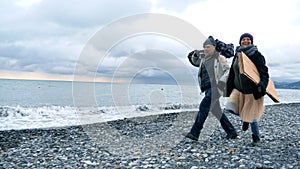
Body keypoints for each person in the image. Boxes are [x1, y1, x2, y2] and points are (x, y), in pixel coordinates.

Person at [185, 36, 238, 141]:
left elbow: (228, 71)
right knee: (216, 111)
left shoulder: (219, 58)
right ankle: (231, 132)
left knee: (203, 107)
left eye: (208, 47)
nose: (206, 49)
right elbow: (196, 62)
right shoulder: (204, 58)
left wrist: (221, 83)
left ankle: (195, 132)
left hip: (215, 88)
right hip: (208, 88)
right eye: (204, 47)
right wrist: (195, 56)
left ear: (214, 47)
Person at [225, 33, 269, 146]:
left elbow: (264, 72)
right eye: (243, 39)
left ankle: (256, 137)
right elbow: (233, 72)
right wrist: (227, 86)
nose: (246, 41)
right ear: (240, 42)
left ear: (251, 42)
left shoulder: (256, 55)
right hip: (238, 89)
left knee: (252, 115)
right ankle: (245, 119)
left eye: (248, 39)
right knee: (230, 108)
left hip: (251, 89)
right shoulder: (237, 55)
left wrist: (262, 84)